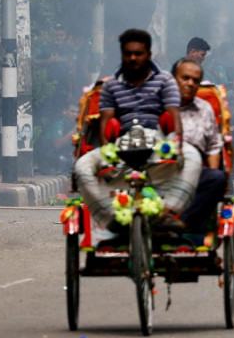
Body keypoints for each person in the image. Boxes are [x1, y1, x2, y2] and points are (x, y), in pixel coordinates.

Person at [73, 28, 199, 237]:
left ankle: (168, 213)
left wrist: (173, 142)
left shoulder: (165, 81)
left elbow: (174, 118)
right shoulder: (111, 85)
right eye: (128, 53)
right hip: (122, 143)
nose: (133, 58)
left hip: (156, 141)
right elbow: (106, 122)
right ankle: (110, 220)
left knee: (193, 157)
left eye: (138, 53)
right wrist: (107, 152)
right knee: (82, 166)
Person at [171, 58, 228, 232]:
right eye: (185, 78)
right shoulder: (155, 104)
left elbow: (213, 147)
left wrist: (213, 174)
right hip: (160, 168)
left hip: (195, 169)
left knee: (218, 179)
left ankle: (182, 224)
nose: (190, 83)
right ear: (173, 79)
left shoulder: (204, 109)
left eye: (195, 80)